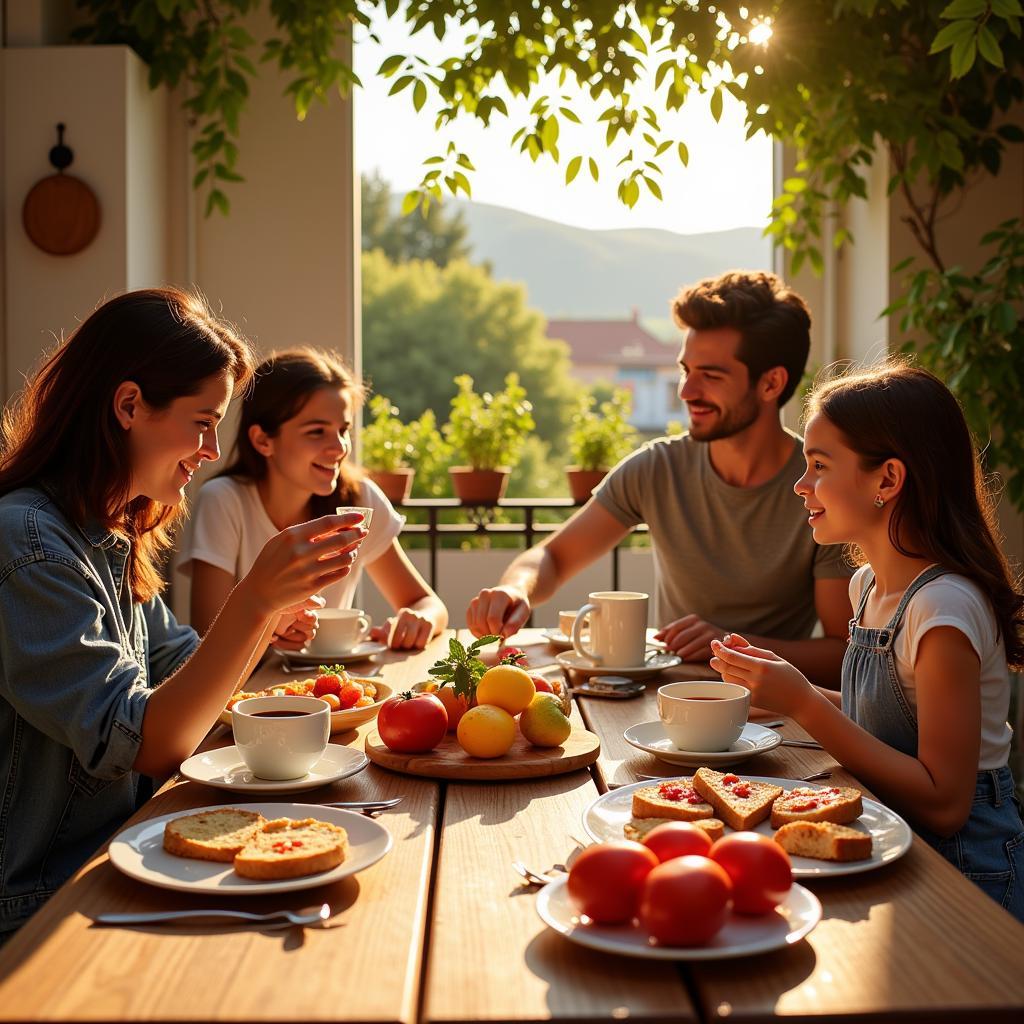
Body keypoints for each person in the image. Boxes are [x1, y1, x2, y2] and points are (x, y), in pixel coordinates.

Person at [0, 289, 367, 939]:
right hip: (41, 904)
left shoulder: (106, 531)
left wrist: (265, 618)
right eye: (202, 422)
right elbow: (146, 740)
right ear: (129, 405)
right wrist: (254, 600)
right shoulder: (28, 546)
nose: (208, 449)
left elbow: (176, 662)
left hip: (124, 853)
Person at [710, 361, 1024, 919]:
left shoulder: (941, 609)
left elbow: (946, 803)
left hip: (966, 873)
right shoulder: (868, 586)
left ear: (887, 480)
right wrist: (785, 690)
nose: (801, 485)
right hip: (891, 843)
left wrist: (804, 702)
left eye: (819, 466)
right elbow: (882, 722)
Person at [467, 271, 853, 686]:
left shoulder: (821, 488)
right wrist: (516, 589)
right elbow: (553, 557)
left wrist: (732, 646)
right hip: (665, 702)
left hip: (772, 713)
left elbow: (841, 653)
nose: (686, 392)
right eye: (686, 370)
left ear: (771, 383)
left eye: (711, 375)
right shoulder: (658, 467)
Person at [179, 348, 447, 651]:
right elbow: (206, 635)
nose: (339, 447)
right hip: (249, 691)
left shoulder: (358, 497)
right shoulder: (223, 501)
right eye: (317, 431)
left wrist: (419, 618)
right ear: (263, 440)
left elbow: (426, 603)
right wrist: (269, 631)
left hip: (331, 684)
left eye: (342, 430)